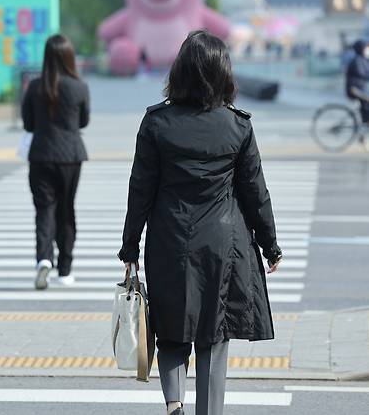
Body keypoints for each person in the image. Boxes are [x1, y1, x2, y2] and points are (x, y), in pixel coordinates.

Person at [117, 31, 283, 415]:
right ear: (223, 72)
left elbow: (139, 189)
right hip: (222, 245)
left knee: (171, 329)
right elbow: (255, 190)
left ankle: (175, 403)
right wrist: (270, 245)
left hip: (169, 240)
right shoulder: (237, 125)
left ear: (180, 71)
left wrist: (129, 247)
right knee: (213, 334)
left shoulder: (157, 122)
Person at [21, 34, 90, 290]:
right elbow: (83, 121)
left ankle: (43, 259)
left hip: (41, 155)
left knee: (44, 210)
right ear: (69, 57)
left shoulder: (35, 86)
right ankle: (65, 269)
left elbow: (28, 123)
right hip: (71, 156)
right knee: (66, 210)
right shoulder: (79, 87)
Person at [345, 39, 369, 149]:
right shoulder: (357, 61)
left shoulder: (362, 60)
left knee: (365, 110)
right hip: (354, 90)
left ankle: (363, 134)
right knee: (366, 109)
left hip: (360, 89)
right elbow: (364, 74)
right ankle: (363, 134)